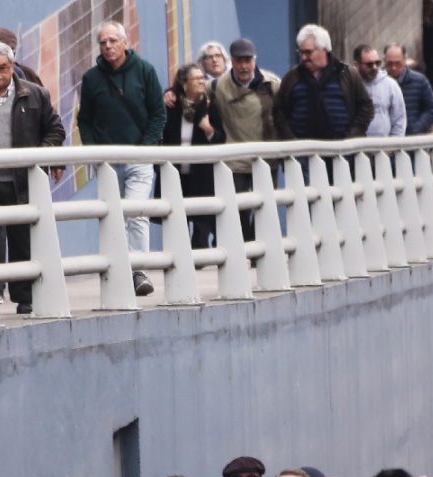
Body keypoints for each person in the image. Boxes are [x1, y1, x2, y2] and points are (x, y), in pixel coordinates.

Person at [76, 20, 166, 297]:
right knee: (113, 217)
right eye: (103, 42)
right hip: (107, 161)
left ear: (125, 43)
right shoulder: (92, 78)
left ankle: (138, 271)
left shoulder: (145, 71)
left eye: (113, 40)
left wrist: (144, 148)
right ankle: (119, 269)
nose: (108, 46)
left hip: (138, 158)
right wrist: (94, 152)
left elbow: (158, 114)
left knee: (136, 214)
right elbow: (85, 120)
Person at [0, 40, 65, 314]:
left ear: (12, 66)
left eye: (3, 67)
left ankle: (25, 297)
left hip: (21, 180)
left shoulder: (34, 94)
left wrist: (41, 155)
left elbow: (56, 130)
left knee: (23, 238)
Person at [212, 39, 281, 243]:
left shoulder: (272, 84)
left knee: (266, 208)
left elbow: (288, 109)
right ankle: (246, 245)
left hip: (266, 159)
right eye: (239, 60)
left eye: (247, 60)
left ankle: (262, 251)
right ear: (231, 60)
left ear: (254, 60)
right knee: (238, 209)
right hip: (236, 158)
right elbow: (193, 91)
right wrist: (170, 94)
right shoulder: (218, 85)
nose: (243, 66)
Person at [276, 24, 375, 141]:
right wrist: (291, 140)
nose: (303, 57)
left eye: (308, 52)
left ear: (324, 50)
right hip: (302, 154)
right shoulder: (292, 77)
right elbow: (278, 111)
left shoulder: (346, 74)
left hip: (342, 154)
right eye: (301, 52)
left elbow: (366, 107)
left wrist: (351, 137)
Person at [164, 63, 221, 250]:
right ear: (184, 84)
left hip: (201, 172)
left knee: (202, 217)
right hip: (176, 171)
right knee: (177, 216)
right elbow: (162, 136)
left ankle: (200, 253)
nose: (201, 82)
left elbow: (222, 139)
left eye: (202, 78)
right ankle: (180, 253)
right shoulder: (171, 106)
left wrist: (208, 129)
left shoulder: (210, 106)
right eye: (196, 79)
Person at [383, 44, 433, 135]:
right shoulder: (379, 82)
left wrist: (417, 128)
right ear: (384, 61)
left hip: (413, 138)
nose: (393, 67)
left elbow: (432, 108)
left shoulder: (419, 81)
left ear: (405, 60)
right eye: (390, 64)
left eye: (398, 63)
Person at [353, 45, 406, 137]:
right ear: (357, 64)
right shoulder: (349, 85)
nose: (374, 67)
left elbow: (399, 120)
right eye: (369, 64)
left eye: (377, 63)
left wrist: (392, 146)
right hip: (356, 147)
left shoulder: (391, 85)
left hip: (385, 148)